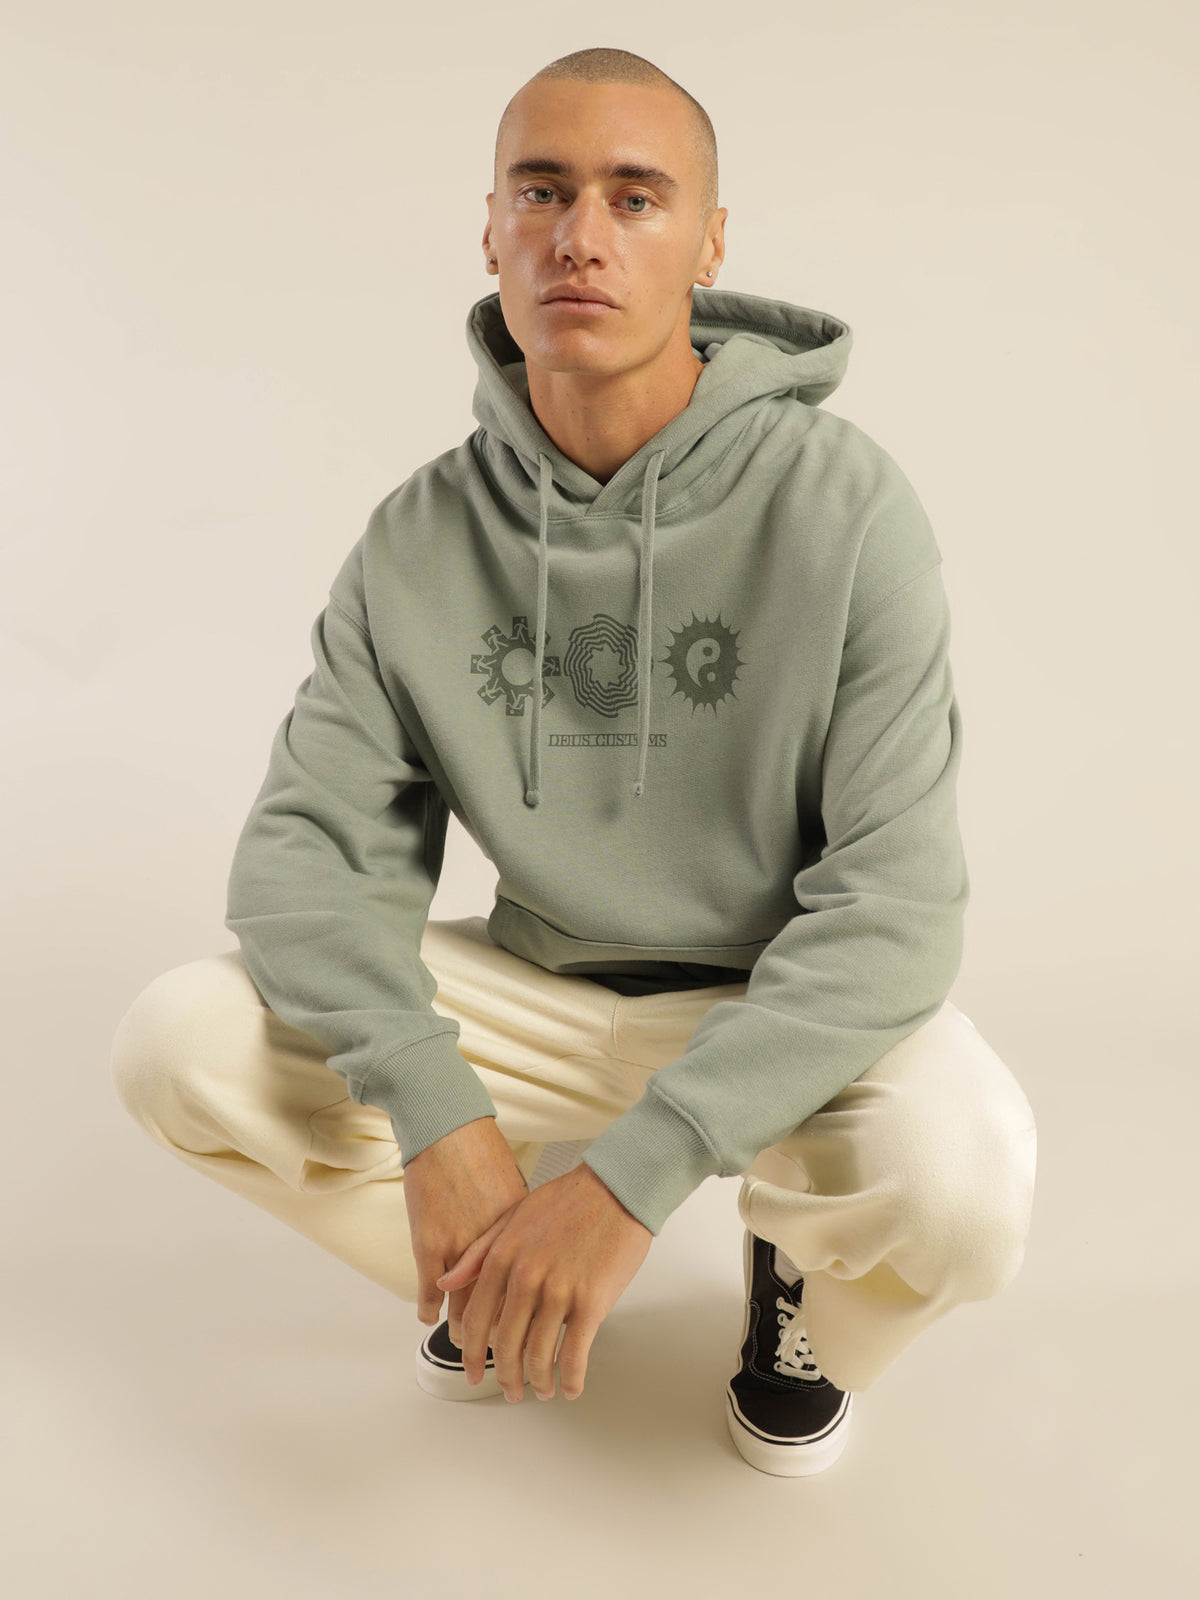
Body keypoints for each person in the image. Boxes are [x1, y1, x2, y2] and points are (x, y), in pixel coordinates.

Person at [110, 46, 1037, 1478]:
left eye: (635, 196)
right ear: (490, 229)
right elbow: (304, 861)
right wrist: (437, 1115)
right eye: (540, 191)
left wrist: (633, 1181)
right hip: (537, 988)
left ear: (710, 243)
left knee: (967, 1185)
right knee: (177, 1044)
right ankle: (500, 1269)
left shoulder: (847, 508)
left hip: (774, 999)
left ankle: (791, 1284)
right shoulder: (420, 537)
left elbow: (898, 904)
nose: (580, 236)